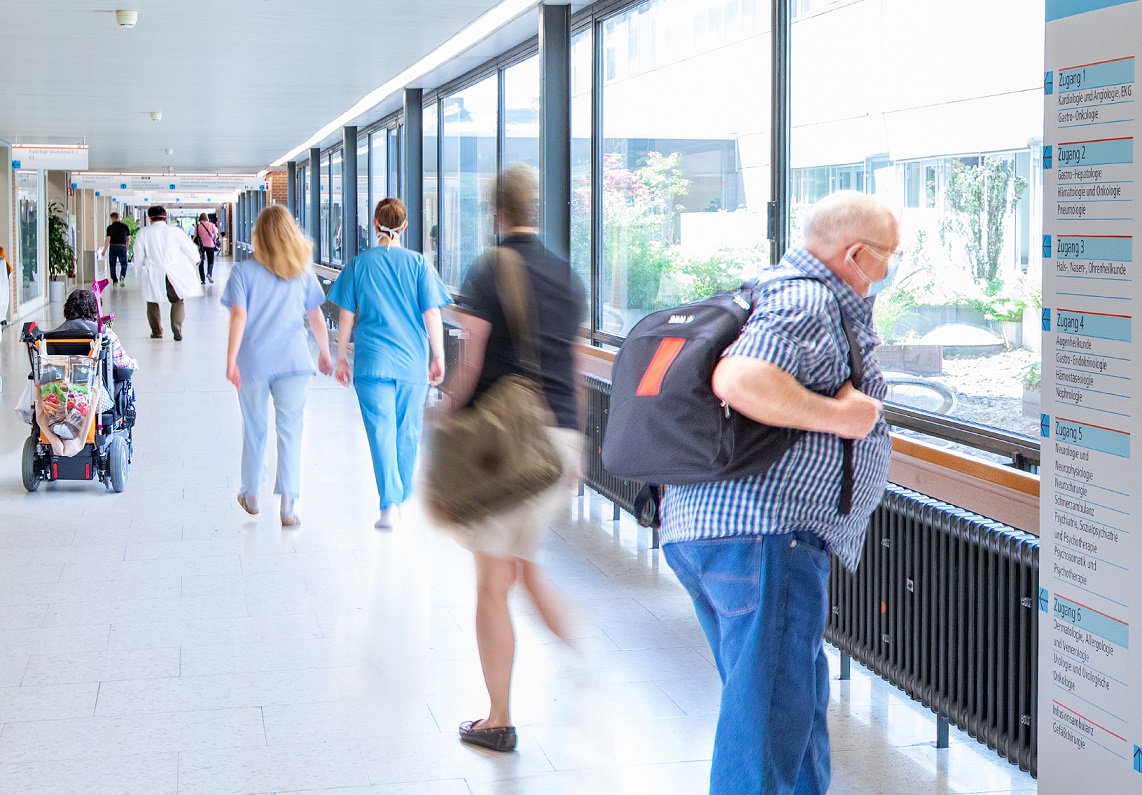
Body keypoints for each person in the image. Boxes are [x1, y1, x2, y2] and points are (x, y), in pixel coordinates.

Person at [659, 190, 896, 795]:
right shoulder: (809, 300)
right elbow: (740, 379)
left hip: (720, 529)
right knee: (765, 725)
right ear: (857, 254)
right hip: (764, 538)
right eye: (888, 258)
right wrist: (844, 419)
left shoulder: (767, 288)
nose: (888, 273)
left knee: (792, 707)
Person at [444, 164, 587, 754]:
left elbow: (472, 361)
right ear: (536, 208)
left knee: (491, 583)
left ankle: (498, 718)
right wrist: (577, 452)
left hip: (508, 444)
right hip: (561, 440)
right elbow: (574, 368)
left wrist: (449, 412)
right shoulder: (567, 275)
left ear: (495, 213)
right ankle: (585, 661)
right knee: (522, 565)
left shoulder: (489, 267)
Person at [328, 198, 449, 529]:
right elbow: (432, 312)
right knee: (407, 431)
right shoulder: (419, 264)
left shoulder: (358, 265)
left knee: (380, 431)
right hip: (412, 364)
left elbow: (347, 314)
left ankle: (389, 503)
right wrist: (438, 355)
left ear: (375, 223)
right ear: (405, 225)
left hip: (371, 364)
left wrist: (341, 357)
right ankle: (399, 494)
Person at [222, 205, 333, 525]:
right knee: (291, 431)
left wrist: (230, 360)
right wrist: (324, 352)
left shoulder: (243, 272)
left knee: (255, 428)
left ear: (259, 235)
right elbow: (316, 317)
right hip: (294, 361)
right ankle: (288, 504)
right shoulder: (302, 270)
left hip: (253, 362)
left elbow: (238, 316)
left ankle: (251, 492)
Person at [134, 205, 203, 341]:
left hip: (153, 271)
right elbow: (189, 247)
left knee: (152, 301)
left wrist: (141, 267)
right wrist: (196, 259)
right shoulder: (175, 231)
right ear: (165, 218)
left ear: (150, 218)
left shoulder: (144, 232)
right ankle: (176, 325)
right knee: (178, 299)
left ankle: (157, 331)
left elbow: (138, 253)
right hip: (173, 271)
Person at [55, 288, 139, 373]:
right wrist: (133, 362)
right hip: (96, 383)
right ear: (95, 310)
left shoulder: (53, 336)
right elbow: (123, 365)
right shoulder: (106, 334)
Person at [98, 212, 132, 287]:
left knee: (112, 264)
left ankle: (115, 280)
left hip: (113, 247)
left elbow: (108, 240)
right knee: (124, 263)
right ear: (118, 218)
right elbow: (128, 238)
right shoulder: (125, 226)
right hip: (122, 246)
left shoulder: (110, 228)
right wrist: (127, 246)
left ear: (112, 218)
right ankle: (122, 276)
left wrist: (104, 250)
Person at [195, 213, 221, 284]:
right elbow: (215, 236)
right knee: (210, 261)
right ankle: (209, 274)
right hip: (210, 245)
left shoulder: (197, 226)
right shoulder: (211, 225)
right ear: (207, 218)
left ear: (200, 218)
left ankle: (203, 280)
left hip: (201, 246)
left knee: (201, 262)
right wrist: (212, 239)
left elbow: (195, 237)